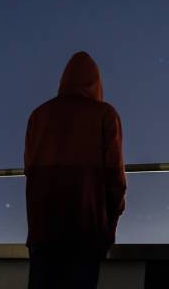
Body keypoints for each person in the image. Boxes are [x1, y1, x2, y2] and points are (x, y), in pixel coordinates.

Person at [24, 51, 127, 289]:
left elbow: (30, 168)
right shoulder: (105, 114)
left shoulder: (38, 115)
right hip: (85, 229)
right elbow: (115, 176)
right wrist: (111, 221)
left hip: (42, 230)